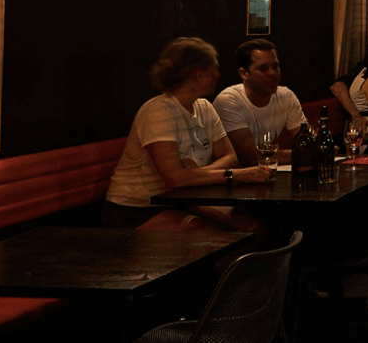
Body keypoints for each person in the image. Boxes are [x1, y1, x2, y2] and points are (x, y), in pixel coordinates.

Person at [105, 38, 271, 229]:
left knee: (252, 227)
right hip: (136, 208)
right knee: (211, 236)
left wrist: (194, 174)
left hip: (183, 199)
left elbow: (230, 157)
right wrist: (236, 175)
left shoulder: (204, 107)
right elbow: (175, 179)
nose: (218, 75)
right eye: (213, 69)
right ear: (197, 75)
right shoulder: (158, 111)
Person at [213, 39, 305, 167]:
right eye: (263, 68)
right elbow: (252, 157)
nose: (272, 73)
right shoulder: (229, 100)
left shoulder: (286, 96)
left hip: (264, 172)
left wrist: (316, 147)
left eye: (275, 66)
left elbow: (307, 139)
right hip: (237, 175)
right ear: (244, 73)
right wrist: (306, 154)